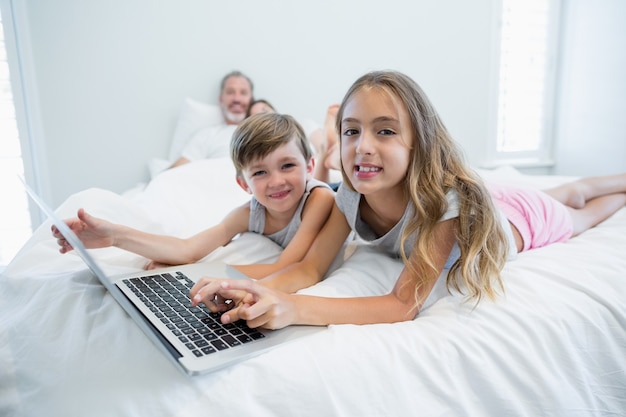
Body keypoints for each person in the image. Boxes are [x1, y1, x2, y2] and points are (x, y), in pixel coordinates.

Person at [189, 69, 626, 330]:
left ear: (418, 142)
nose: (362, 146)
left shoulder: (442, 204)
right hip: (494, 199)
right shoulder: (349, 195)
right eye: (351, 130)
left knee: (583, 208)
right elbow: (308, 267)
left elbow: (402, 304)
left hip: (520, 222)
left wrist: (293, 308)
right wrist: (245, 290)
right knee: (563, 190)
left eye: (385, 130)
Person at [53, 113, 335, 279]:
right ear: (244, 184)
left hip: (323, 191)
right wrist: (115, 236)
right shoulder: (251, 213)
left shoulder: (319, 200)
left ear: (307, 166)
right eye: (260, 173)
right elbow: (189, 248)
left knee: (329, 184)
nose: (276, 181)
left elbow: (286, 266)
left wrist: (194, 273)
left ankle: (328, 145)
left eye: (288, 165)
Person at [170, 70, 254, 169]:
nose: (237, 99)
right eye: (230, 92)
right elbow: (173, 172)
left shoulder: (263, 134)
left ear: (251, 99)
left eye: (243, 93)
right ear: (221, 99)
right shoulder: (207, 135)